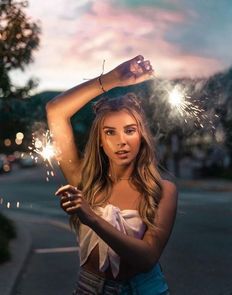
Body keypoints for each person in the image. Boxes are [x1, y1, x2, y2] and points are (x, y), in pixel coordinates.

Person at [46, 55, 178, 295]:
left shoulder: (163, 189)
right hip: (89, 288)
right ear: (100, 141)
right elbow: (55, 110)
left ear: (142, 136)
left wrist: (93, 218)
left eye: (129, 130)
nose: (122, 142)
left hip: (144, 289)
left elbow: (147, 258)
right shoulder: (83, 180)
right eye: (110, 133)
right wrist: (113, 79)